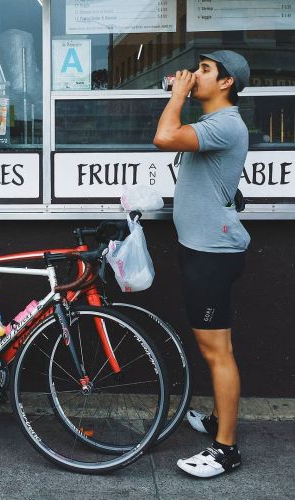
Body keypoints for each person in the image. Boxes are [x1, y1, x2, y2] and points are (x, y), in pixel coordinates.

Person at [153, 50, 251, 478]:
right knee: (215, 348)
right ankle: (219, 420)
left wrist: (177, 94)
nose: (195, 75)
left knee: (217, 351)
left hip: (212, 252)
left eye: (205, 70)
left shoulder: (225, 123)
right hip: (204, 248)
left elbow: (164, 137)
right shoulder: (214, 124)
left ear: (227, 82)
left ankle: (226, 449)